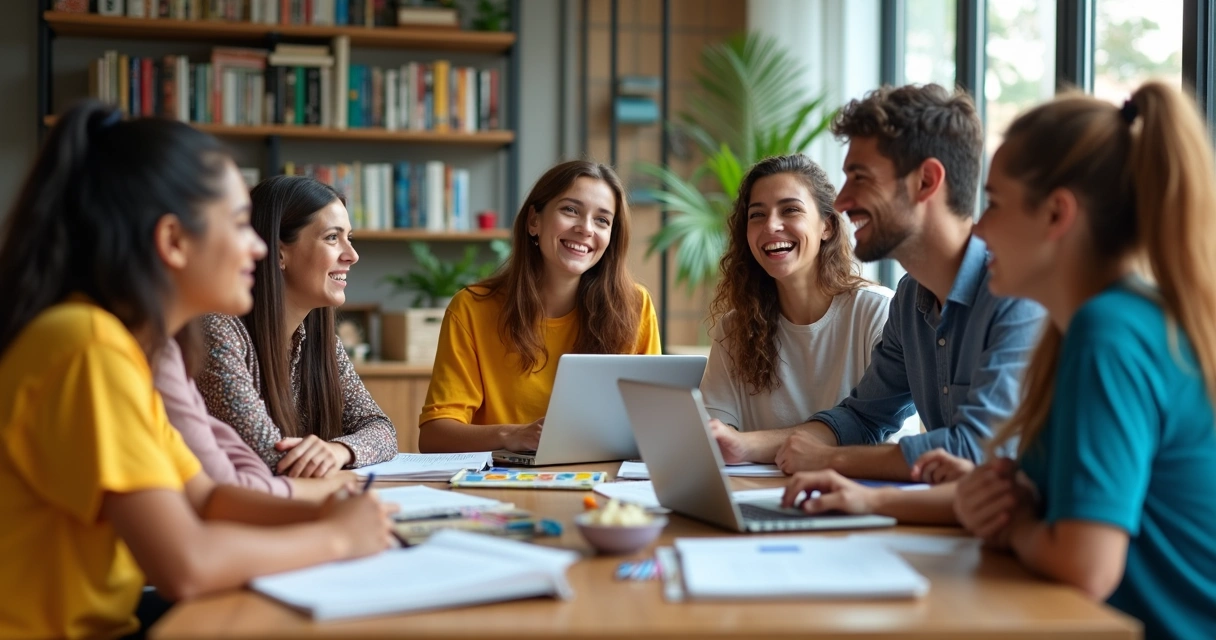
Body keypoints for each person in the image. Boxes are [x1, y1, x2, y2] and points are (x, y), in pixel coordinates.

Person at [782, 82, 1216, 639]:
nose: (980, 228)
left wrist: (1015, 525)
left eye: (996, 204)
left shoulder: (1106, 333)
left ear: (1057, 215)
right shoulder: (1085, 326)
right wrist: (995, 492)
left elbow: (1085, 564)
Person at [0, 102, 395, 639]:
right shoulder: (87, 348)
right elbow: (185, 564)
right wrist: (338, 539)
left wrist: (332, 514)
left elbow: (207, 497)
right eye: (238, 224)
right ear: (173, 241)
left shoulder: (124, 348)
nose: (257, 246)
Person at [713, 83, 1045, 481]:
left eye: (860, 178)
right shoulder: (910, 299)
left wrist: (829, 460)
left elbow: (976, 449)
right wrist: (770, 447)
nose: (841, 201)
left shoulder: (1018, 295)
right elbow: (864, 417)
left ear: (926, 182)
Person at [418, 160, 661, 453]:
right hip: (501, 483)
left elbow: (653, 425)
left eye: (602, 220)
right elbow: (434, 436)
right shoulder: (471, 309)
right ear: (534, 220)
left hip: (604, 482)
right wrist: (513, 435)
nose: (585, 228)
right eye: (570, 210)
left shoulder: (635, 307)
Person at [197, 176, 398, 478]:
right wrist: (326, 453)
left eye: (349, 238)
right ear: (278, 253)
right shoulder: (218, 332)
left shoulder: (320, 339)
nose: (352, 255)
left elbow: (382, 429)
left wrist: (339, 450)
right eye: (332, 237)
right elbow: (270, 457)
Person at [700, 154, 893, 435]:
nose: (770, 226)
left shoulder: (877, 312)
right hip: (754, 482)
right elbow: (714, 438)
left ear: (826, 225)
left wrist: (751, 446)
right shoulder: (734, 329)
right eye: (757, 215)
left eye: (790, 210)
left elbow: (890, 442)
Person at [154, 323, 356, 501]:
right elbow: (265, 464)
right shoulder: (214, 329)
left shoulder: (166, 352)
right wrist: (333, 486)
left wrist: (339, 450)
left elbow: (381, 427)